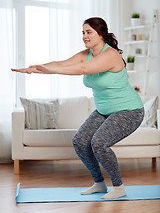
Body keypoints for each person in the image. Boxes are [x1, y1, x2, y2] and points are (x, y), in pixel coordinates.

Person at [12, 17, 144, 199]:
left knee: (98, 142)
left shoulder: (111, 55)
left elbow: (82, 69)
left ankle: (118, 187)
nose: (85, 36)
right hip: (105, 110)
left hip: (129, 111)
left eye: (89, 32)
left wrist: (51, 71)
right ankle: (99, 184)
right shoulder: (87, 53)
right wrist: (36, 70)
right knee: (80, 140)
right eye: (83, 32)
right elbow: (62, 63)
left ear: (101, 34)